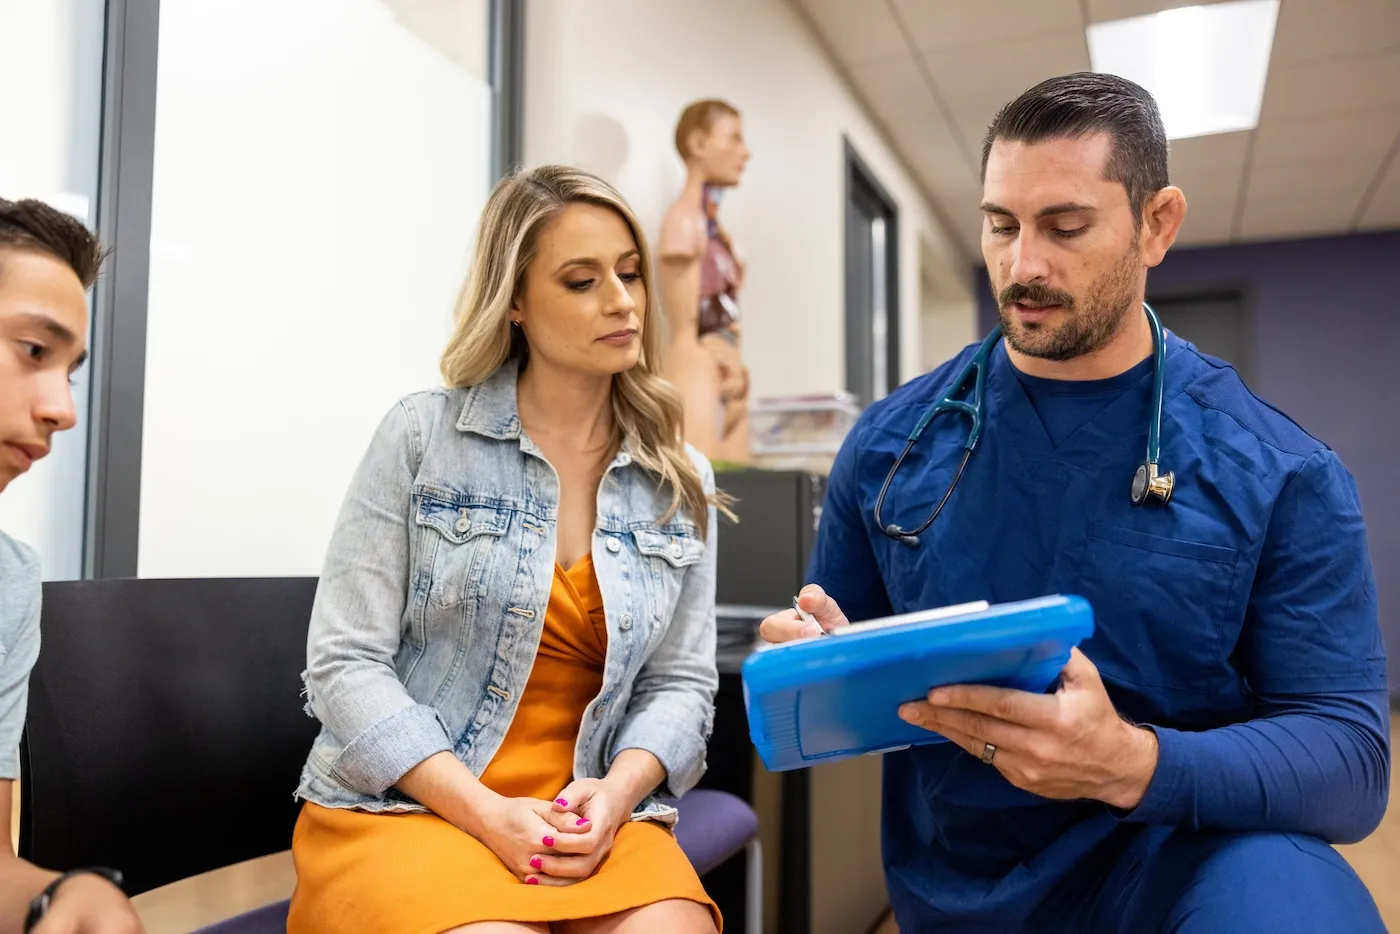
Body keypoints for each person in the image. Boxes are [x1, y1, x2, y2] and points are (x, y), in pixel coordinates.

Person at [760, 73, 1389, 933]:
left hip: (1181, 858)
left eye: (1065, 227)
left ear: (1157, 224)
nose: (1023, 265)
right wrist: (813, 665)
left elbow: (1348, 760)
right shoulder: (891, 444)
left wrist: (1129, 763)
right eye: (1000, 225)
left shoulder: (1281, 472)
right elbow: (849, 663)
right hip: (961, 877)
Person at [289, 166, 724, 934]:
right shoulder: (421, 436)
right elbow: (343, 663)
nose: (621, 301)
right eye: (581, 281)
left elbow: (682, 683)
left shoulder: (678, 476)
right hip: (416, 807)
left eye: (629, 275)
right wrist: (486, 813)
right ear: (515, 302)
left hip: (591, 812)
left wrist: (617, 794)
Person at [0, 199, 142, 932]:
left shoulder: (8, 584)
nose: (63, 409)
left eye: (70, 372)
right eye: (32, 351)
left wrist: (62, 897)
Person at [659, 98, 752, 464]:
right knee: (701, 494)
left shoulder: (721, 236)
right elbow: (685, 329)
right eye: (734, 139)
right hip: (697, 369)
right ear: (698, 144)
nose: (744, 153)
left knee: (738, 502)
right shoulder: (684, 223)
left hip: (730, 376)